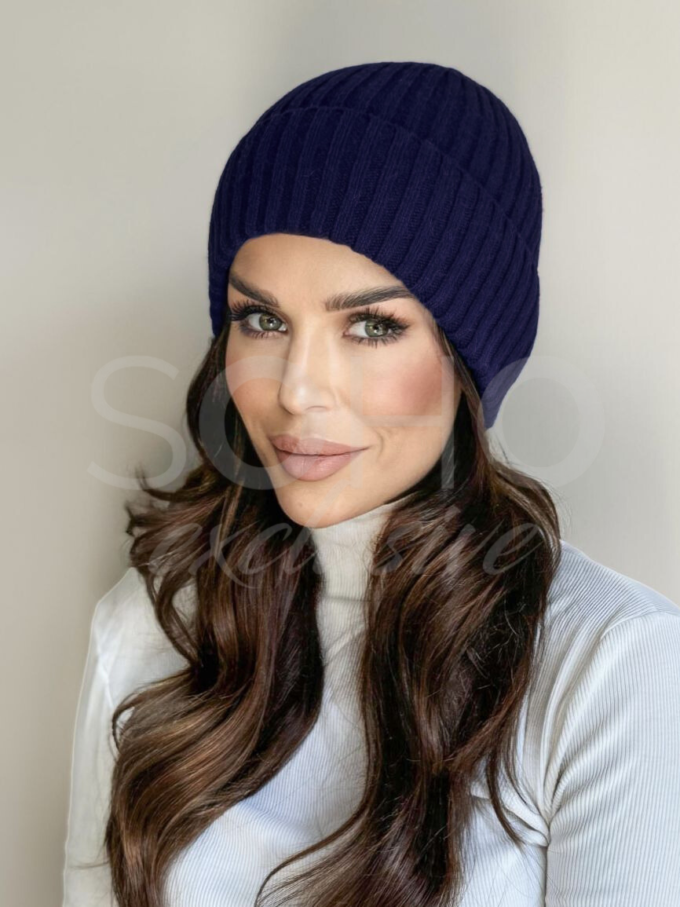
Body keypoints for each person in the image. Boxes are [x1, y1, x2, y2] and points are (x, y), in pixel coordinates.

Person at [62, 61, 680, 907]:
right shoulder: (150, 624)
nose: (296, 390)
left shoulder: (609, 664)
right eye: (262, 319)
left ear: (466, 362)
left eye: (371, 326)